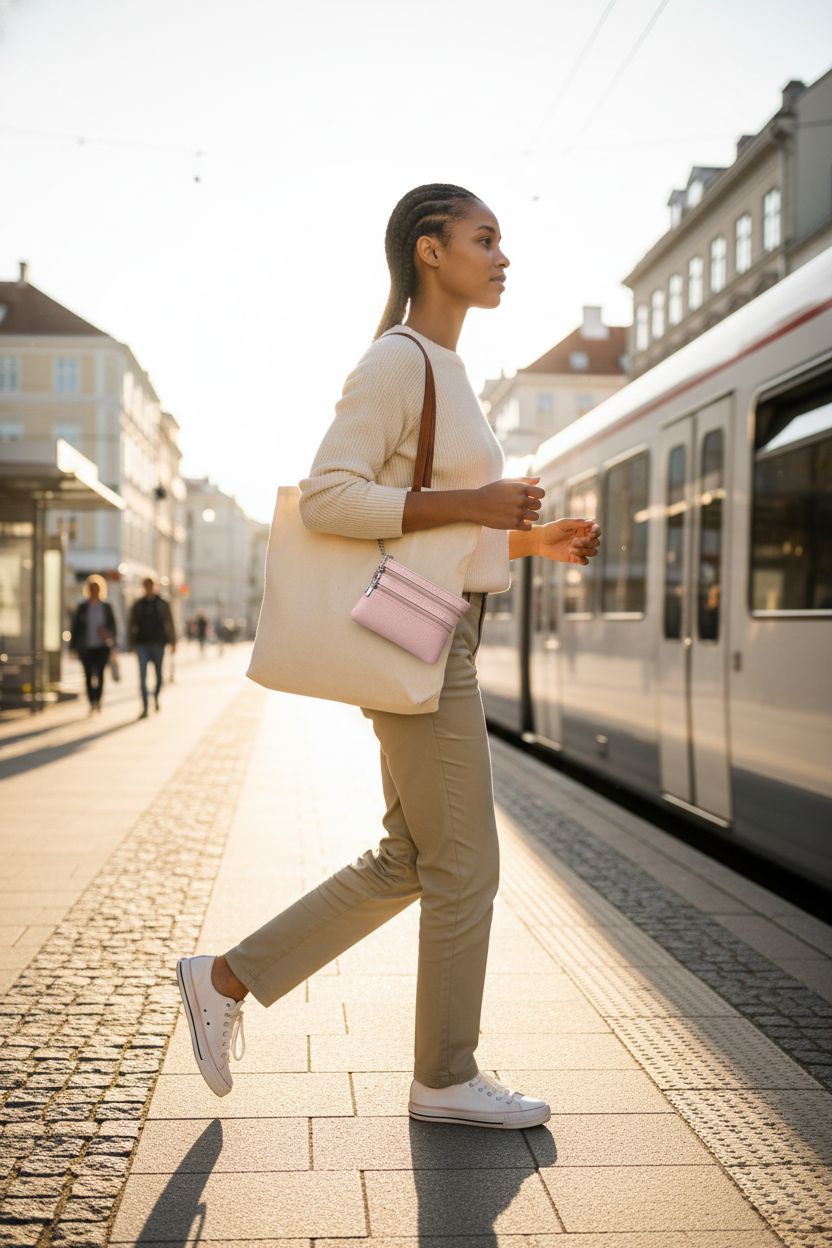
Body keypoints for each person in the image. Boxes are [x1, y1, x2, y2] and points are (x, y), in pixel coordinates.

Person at [176, 183, 601, 1128]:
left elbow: (446, 531)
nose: (502, 256)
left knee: (411, 858)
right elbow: (331, 497)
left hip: (437, 627)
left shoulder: (447, 369)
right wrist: (478, 506)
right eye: (485, 238)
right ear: (428, 250)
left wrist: (534, 540)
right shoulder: (399, 361)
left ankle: (224, 979)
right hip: (423, 640)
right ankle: (445, 1077)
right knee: (467, 869)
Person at [128, 577, 176, 718]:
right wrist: (131, 643)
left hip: (158, 644)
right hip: (142, 643)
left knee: (159, 675)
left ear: (154, 586)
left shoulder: (162, 603)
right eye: (146, 585)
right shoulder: (138, 604)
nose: (148, 588)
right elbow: (131, 624)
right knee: (142, 676)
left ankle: (155, 696)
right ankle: (145, 706)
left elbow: (170, 623)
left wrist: (173, 642)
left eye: (150, 585)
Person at [69, 574, 117, 715]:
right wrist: (73, 647)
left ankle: (98, 701)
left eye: (96, 588)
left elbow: (113, 626)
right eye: (91, 588)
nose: (94, 590)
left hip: (102, 646)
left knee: (101, 674)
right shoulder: (82, 607)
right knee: (88, 675)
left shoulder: (106, 606)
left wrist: (110, 637)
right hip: (86, 647)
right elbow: (75, 627)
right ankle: (91, 701)